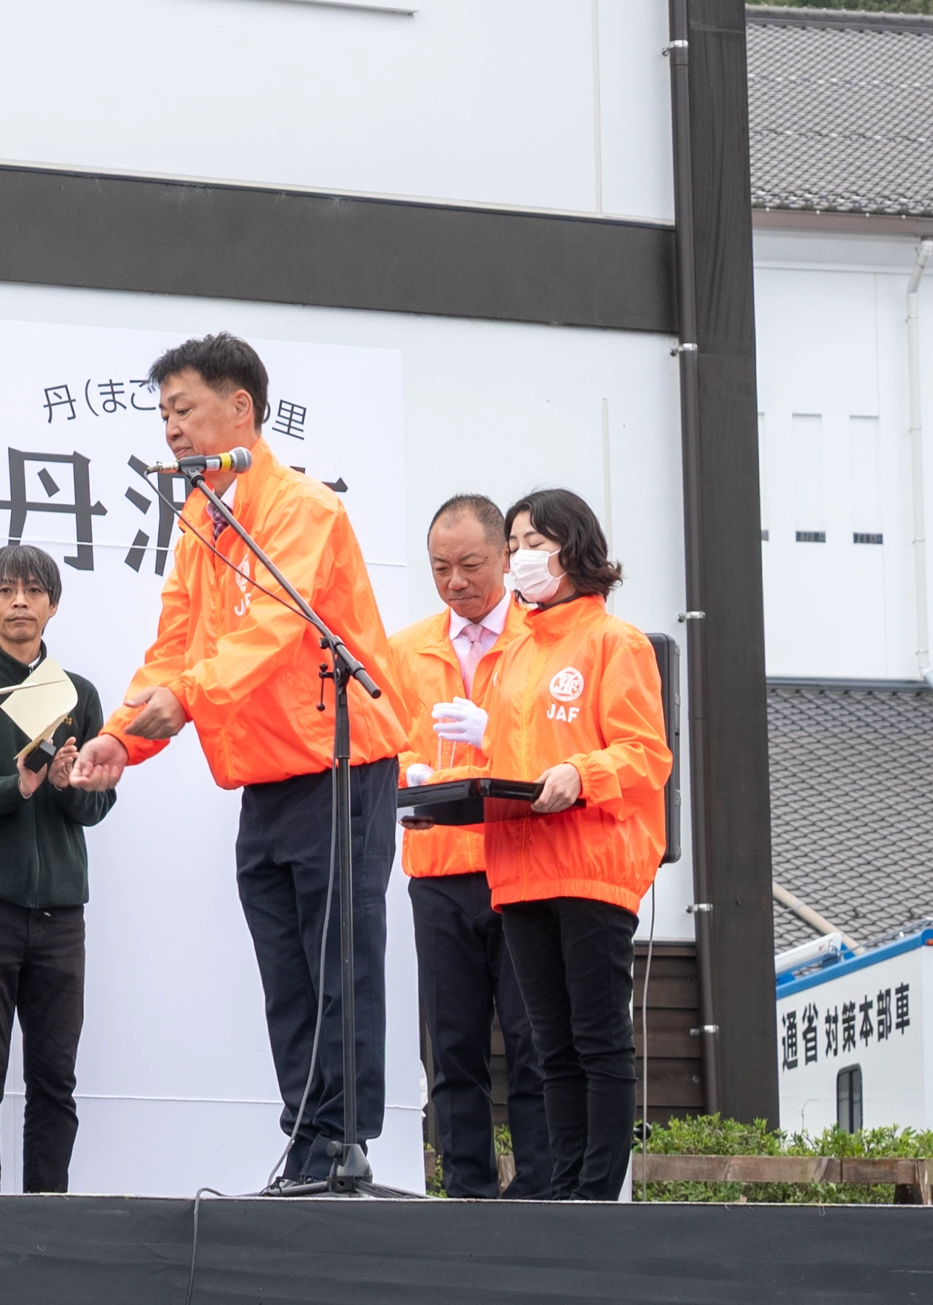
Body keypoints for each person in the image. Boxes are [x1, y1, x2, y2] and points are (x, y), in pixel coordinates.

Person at [69, 333, 407, 1186]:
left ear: (241, 408)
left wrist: (186, 697)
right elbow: (174, 645)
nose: (171, 430)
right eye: (164, 415)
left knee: (338, 962)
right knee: (286, 972)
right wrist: (122, 736)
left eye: (184, 409)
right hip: (265, 776)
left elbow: (274, 632)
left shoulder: (302, 508)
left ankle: (341, 1144)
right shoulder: (201, 520)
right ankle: (307, 1139)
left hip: (341, 766)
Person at [428, 488, 670, 1200]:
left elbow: (645, 753)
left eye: (535, 542)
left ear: (575, 547)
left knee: (597, 1040)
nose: (522, 556)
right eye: (515, 545)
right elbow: (510, 759)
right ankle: (566, 1192)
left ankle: (596, 1192)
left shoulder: (614, 641)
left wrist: (581, 772)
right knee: (548, 1047)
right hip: (521, 872)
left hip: (590, 867)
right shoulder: (515, 651)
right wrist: (439, 790)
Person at [0, 545, 116, 1193]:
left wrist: (64, 785)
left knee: (55, 1082)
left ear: (53, 604)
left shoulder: (79, 695)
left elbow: (98, 806)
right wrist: (18, 787)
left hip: (61, 919)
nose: (20, 603)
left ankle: (45, 1223)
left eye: (34, 591)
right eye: (5, 591)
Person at [390, 494, 549, 1199]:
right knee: (451, 1046)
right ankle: (466, 1194)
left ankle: (543, 1194)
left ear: (505, 559)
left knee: (533, 1041)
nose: (455, 581)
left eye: (471, 565)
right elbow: (383, 746)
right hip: (436, 873)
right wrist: (409, 776)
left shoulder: (540, 642)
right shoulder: (404, 649)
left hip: (521, 867)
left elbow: (562, 745)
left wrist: (496, 737)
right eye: (440, 567)